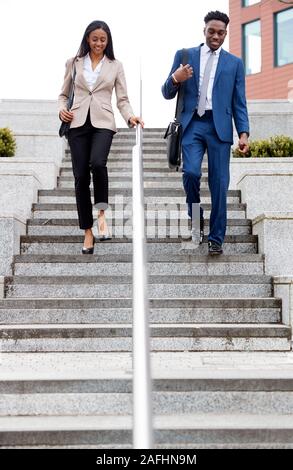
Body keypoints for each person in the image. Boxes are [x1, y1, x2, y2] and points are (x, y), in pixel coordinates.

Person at [162, 10, 249, 255]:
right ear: (204, 30)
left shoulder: (234, 63)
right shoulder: (185, 55)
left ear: (225, 34)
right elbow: (166, 92)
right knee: (190, 173)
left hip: (219, 127)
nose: (216, 36)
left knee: (219, 184)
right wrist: (176, 79)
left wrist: (243, 133)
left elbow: (239, 102)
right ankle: (196, 217)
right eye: (212, 31)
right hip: (193, 125)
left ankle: (216, 238)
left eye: (221, 32)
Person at [58, 20, 143, 254]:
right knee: (80, 177)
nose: (98, 43)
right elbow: (63, 94)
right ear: (87, 38)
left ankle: (102, 213)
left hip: (103, 122)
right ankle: (88, 231)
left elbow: (122, 99)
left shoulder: (115, 65)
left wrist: (130, 117)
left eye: (102, 39)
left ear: (108, 41)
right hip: (76, 123)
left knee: (98, 163)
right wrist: (61, 109)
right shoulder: (73, 63)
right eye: (94, 39)